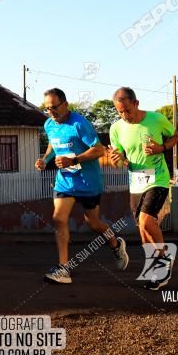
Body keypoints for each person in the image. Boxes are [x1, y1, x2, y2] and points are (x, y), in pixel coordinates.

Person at [35, 88, 129, 283]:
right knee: (58, 218)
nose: (51, 112)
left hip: (88, 182)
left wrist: (74, 159)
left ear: (65, 104)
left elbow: (98, 150)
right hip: (65, 182)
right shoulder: (49, 124)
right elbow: (53, 143)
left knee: (93, 223)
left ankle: (115, 243)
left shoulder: (79, 124)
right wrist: (45, 159)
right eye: (47, 109)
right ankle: (63, 268)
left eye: (54, 108)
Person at [108, 87, 178, 290]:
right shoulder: (116, 129)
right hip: (136, 181)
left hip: (158, 178)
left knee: (146, 220)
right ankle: (157, 271)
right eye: (120, 112)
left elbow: (175, 136)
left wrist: (162, 148)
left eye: (127, 110)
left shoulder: (156, 119)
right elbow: (119, 159)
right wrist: (117, 159)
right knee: (143, 229)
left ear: (136, 103)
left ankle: (164, 258)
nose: (124, 115)